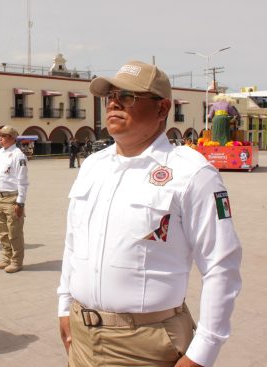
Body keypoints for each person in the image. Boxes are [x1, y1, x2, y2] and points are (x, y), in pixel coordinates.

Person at [57, 60, 242, 367]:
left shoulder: (192, 172)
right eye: (110, 96)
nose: (114, 102)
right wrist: (64, 306)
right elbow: (73, 243)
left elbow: (221, 264)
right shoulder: (93, 166)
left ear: (162, 109)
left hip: (146, 343)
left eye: (128, 96)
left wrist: (203, 351)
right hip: (82, 334)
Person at [0, 125, 29, 273]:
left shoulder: (18, 155)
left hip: (12, 198)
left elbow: (23, 180)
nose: (0, 138)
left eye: (4, 135)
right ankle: (6, 257)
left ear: (13, 138)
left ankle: (16, 261)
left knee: (14, 232)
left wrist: (20, 202)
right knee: (2, 231)